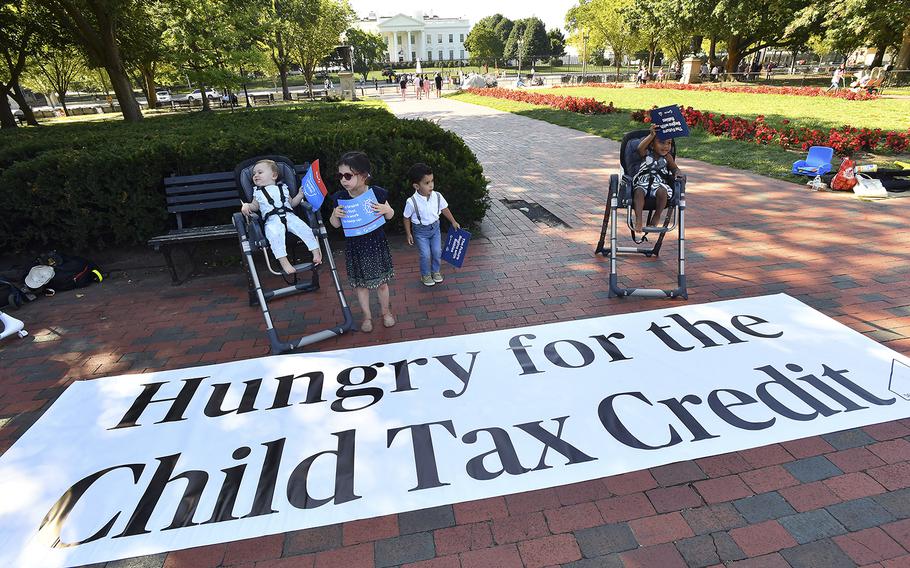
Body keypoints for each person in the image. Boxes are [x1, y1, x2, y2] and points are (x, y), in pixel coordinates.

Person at [329, 151, 396, 332]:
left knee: (382, 283)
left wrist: (384, 210)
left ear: (364, 176)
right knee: (361, 286)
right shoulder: (340, 198)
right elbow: (334, 225)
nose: (343, 180)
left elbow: (391, 214)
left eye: (348, 175)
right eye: (340, 175)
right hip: (355, 248)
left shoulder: (376, 194)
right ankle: (367, 316)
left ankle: (386, 312)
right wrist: (335, 215)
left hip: (375, 245)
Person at [240, 160, 323, 275]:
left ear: (274, 176)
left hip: (290, 215)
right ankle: (284, 262)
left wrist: (299, 195)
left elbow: (292, 203)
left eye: (260, 172)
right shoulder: (257, 193)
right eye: (254, 174)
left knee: (305, 229)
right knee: (275, 236)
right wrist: (246, 206)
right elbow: (254, 206)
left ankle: (315, 252)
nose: (255, 176)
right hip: (272, 220)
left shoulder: (283, 188)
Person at [402, 163, 461, 287]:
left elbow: (445, 209)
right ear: (416, 186)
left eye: (432, 181)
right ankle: (425, 275)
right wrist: (409, 233)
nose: (431, 185)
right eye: (427, 183)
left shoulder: (437, 196)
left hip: (435, 229)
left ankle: (435, 271)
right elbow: (406, 217)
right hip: (420, 232)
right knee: (425, 254)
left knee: (436, 251)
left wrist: (453, 221)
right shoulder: (411, 202)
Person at [632, 123, 680, 233]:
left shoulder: (668, 158)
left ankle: (656, 216)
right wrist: (651, 135)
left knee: (663, 192)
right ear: (652, 145)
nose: (666, 146)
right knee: (639, 192)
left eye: (669, 143)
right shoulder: (646, 153)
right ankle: (638, 218)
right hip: (643, 181)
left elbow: (675, 169)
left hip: (659, 183)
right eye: (662, 142)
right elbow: (640, 147)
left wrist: (677, 173)